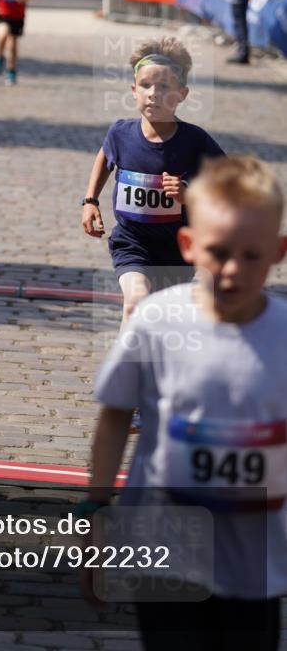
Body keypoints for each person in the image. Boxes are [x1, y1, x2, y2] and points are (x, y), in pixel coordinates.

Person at [84, 155, 287, 651]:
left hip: (256, 559)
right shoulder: (157, 321)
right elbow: (113, 417)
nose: (234, 269)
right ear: (188, 245)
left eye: (252, 255)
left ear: (279, 251)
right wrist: (95, 514)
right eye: (219, 252)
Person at [81, 37, 225, 327]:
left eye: (164, 87)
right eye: (146, 85)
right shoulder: (120, 133)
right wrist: (90, 201)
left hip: (178, 250)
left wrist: (190, 195)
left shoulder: (195, 140)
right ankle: (127, 367)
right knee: (135, 302)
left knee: (163, 319)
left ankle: (156, 366)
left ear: (182, 94)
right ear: (134, 90)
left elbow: (228, 184)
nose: (153, 94)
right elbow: (105, 157)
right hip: (132, 242)